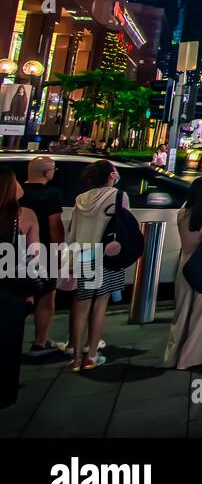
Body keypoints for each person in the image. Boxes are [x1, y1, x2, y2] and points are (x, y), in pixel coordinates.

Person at [65, 160, 126, 371]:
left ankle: (75, 359)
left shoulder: (81, 199)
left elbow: (72, 233)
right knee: (99, 308)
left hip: (83, 254)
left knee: (81, 307)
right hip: (105, 256)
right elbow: (125, 226)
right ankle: (91, 356)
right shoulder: (118, 196)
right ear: (111, 174)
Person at [163, 174, 202, 369]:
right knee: (201, 313)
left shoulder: (183, 213)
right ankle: (190, 358)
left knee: (181, 312)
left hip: (184, 264)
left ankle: (173, 355)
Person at [0, 167, 38, 405]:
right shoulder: (24, 215)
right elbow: (33, 257)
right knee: (7, 345)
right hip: (10, 290)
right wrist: (30, 292)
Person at [20, 156, 63, 356]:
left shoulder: (18, 192)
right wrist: (59, 249)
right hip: (43, 250)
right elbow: (55, 226)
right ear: (46, 173)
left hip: (16, 252)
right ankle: (40, 341)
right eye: (53, 169)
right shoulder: (51, 194)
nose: (54, 172)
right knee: (45, 297)